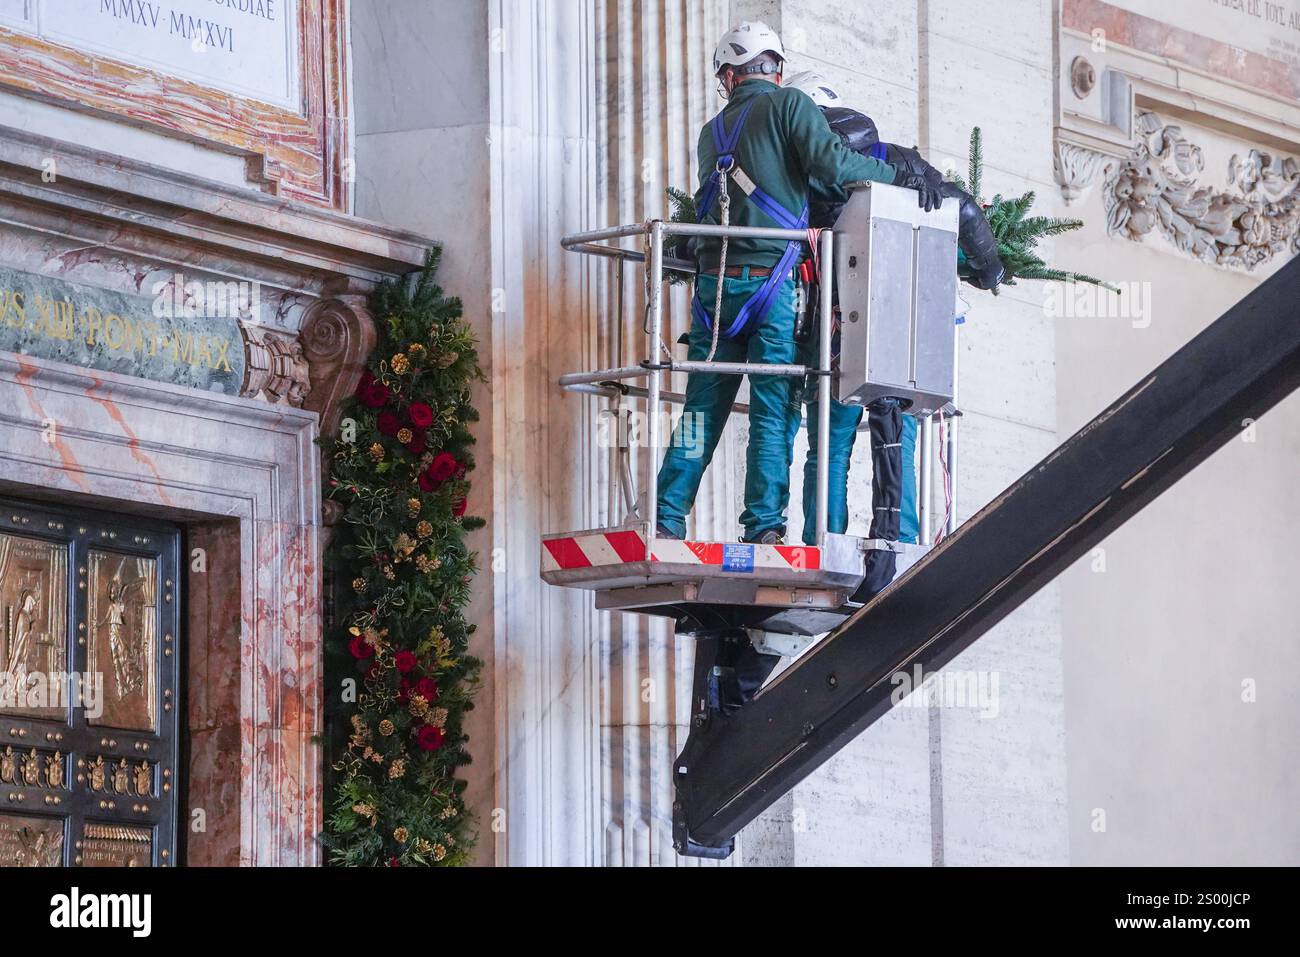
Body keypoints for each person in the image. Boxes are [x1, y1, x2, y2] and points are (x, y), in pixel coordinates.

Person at [654, 23, 938, 547]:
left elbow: (707, 204)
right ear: (776, 69)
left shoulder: (711, 131)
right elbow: (832, 166)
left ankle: (666, 515)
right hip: (773, 285)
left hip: (716, 291)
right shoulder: (789, 107)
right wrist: (901, 176)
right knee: (770, 408)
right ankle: (762, 526)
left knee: (699, 411)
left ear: (727, 76)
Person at [782, 71, 1004, 598]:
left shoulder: (801, 170)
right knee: (898, 434)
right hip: (899, 332)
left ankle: (825, 538)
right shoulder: (893, 156)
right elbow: (963, 208)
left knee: (829, 445)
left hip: (835, 332)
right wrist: (989, 266)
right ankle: (900, 542)